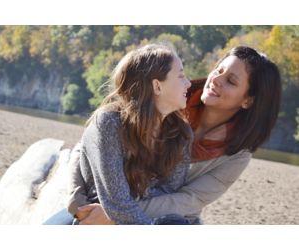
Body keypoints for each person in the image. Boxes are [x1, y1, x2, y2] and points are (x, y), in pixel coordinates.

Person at [65, 45, 282, 225]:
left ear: (248, 100)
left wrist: (116, 213)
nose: (216, 79)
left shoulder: (235, 154)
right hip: (105, 199)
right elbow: (90, 145)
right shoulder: (167, 99)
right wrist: (77, 196)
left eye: (231, 81)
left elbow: (188, 200)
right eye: (218, 70)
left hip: (161, 216)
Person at [44, 43, 193, 225]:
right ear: (157, 86)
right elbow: (117, 204)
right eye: (181, 76)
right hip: (93, 214)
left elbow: (170, 191)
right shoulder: (109, 124)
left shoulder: (181, 133)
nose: (188, 83)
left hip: (137, 217)